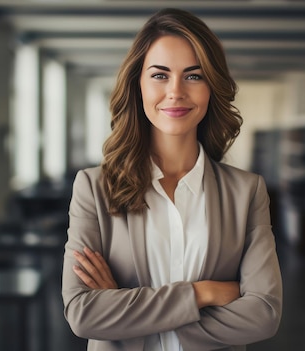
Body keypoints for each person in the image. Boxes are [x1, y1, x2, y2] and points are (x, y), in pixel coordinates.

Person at [62, 8, 282, 351]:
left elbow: (264, 314)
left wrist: (123, 308)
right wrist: (203, 294)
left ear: (212, 87)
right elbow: (82, 314)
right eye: (160, 75)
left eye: (194, 76)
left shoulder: (247, 192)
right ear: (139, 84)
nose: (176, 91)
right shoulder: (93, 189)